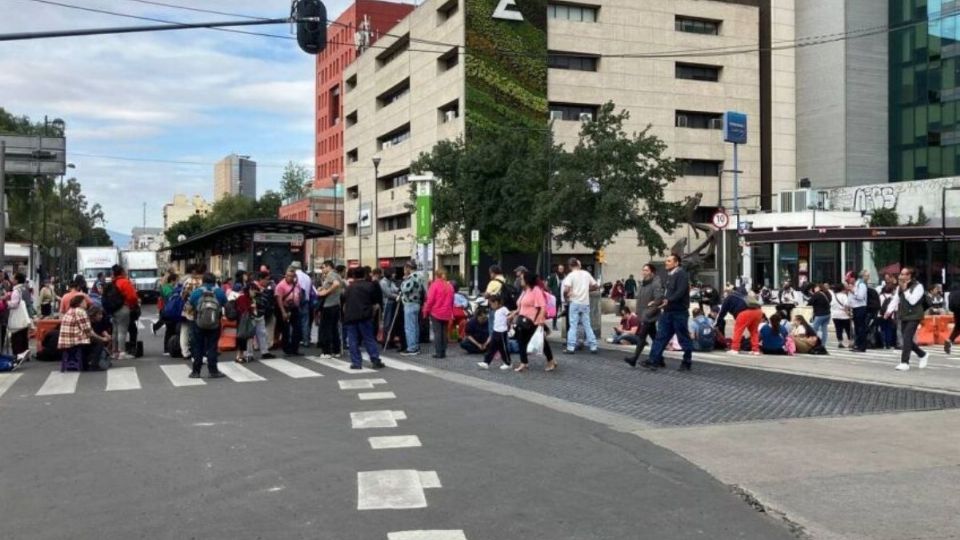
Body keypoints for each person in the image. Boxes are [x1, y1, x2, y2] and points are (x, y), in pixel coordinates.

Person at [643, 254, 693, 371]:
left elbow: (680, 292)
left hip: (679, 312)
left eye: (669, 261)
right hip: (667, 312)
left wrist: (667, 300)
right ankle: (653, 360)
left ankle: (687, 361)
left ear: (676, 263)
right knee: (661, 337)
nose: (666, 263)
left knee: (683, 338)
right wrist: (657, 302)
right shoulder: (669, 275)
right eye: (666, 261)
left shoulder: (682, 275)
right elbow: (666, 293)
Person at [886, 267, 929, 371]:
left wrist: (905, 290)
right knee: (907, 338)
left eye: (904, 274)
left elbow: (913, 301)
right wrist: (888, 311)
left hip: (915, 315)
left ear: (909, 276)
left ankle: (904, 362)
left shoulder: (918, 286)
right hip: (904, 315)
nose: (901, 276)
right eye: (901, 274)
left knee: (907, 337)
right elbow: (896, 299)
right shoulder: (899, 287)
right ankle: (922, 354)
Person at [342, 267, 385, 370]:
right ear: (365, 275)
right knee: (369, 339)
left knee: (353, 340)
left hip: (350, 316)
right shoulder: (369, 286)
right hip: (365, 316)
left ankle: (356, 363)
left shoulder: (349, 288)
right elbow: (375, 302)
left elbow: (344, 300)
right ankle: (375, 360)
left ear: (354, 276)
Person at [513, 271, 557, 372]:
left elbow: (542, 306)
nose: (521, 280)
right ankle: (524, 362)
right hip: (522, 320)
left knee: (542, 342)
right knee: (521, 342)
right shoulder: (525, 290)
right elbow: (521, 305)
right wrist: (514, 313)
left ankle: (551, 361)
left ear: (527, 280)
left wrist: (540, 320)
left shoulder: (536, 290)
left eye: (522, 278)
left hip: (532, 321)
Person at [187, 273, 228, 378]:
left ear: (203, 281)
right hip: (214, 324)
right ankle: (213, 371)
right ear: (214, 282)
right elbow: (226, 305)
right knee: (212, 347)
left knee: (198, 347)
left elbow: (189, 307)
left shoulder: (196, 292)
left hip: (199, 324)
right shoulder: (219, 293)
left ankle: (196, 372)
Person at [624, 263, 664, 365]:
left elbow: (658, 298)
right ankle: (660, 359)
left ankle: (634, 359)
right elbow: (640, 299)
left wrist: (648, 312)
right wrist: (638, 312)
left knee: (642, 337)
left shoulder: (655, 283)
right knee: (654, 337)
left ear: (651, 272)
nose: (644, 272)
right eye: (643, 270)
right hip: (643, 314)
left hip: (649, 315)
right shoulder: (643, 283)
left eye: (646, 270)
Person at [57, 295, 111, 370]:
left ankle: (84, 364)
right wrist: (102, 339)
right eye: (84, 302)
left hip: (65, 342)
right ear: (80, 303)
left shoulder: (70, 311)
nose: (86, 303)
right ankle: (94, 366)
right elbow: (88, 331)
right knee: (99, 343)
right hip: (74, 341)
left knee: (90, 342)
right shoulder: (81, 312)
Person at [562, 258, 599, 354]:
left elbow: (566, 290)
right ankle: (593, 346)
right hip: (585, 303)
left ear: (570, 266)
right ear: (577, 265)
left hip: (574, 302)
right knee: (587, 325)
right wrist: (587, 289)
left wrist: (566, 297)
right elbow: (595, 286)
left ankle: (570, 347)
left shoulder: (570, 275)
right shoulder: (586, 274)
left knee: (573, 325)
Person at [718, 286, 762, 355]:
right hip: (758, 312)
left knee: (738, 330)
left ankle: (734, 348)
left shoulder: (729, 297)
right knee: (754, 331)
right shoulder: (746, 296)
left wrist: (718, 323)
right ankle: (755, 350)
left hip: (745, 313)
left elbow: (722, 312)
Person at [108, 265, 140, 361]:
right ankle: (122, 352)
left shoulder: (113, 283)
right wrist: (133, 304)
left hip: (113, 309)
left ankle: (114, 352)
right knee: (122, 331)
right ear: (122, 272)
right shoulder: (124, 282)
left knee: (115, 331)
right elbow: (132, 297)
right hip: (123, 308)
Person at [422, 267, 455, 359]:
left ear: (437, 275)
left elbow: (430, 300)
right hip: (446, 312)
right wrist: (451, 312)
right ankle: (443, 352)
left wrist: (425, 311)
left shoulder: (434, 285)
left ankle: (438, 352)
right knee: (444, 332)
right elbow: (452, 301)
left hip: (436, 312)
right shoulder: (450, 286)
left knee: (437, 333)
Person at [316, 260, 343, 359]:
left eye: (323, 267)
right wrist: (322, 289)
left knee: (326, 329)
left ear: (328, 267)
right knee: (334, 329)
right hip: (335, 304)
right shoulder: (337, 275)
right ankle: (336, 350)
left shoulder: (331, 275)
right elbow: (341, 286)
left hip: (328, 305)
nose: (322, 270)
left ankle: (327, 352)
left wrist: (325, 292)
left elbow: (335, 284)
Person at [478, 295, 511, 370]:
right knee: (492, 347)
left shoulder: (504, 309)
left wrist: (508, 323)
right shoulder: (495, 311)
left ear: (496, 302)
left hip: (502, 332)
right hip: (495, 331)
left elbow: (509, 315)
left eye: (492, 304)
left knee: (504, 348)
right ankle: (486, 362)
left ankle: (508, 363)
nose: (491, 306)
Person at [5, 272, 33, 360]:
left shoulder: (16, 291)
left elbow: (14, 304)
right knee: (24, 336)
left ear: (17, 280)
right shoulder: (25, 288)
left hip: (17, 316)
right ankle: (25, 354)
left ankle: (18, 355)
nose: (12, 280)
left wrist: (6, 303)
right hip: (25, 316)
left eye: (13, 278)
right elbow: (30, 300)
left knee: (17, 337)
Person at [179, 264, 205, 360]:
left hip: (189, 309)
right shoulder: (204, 282)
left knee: (185, 329)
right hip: (202, 309)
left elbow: (182, 295)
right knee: (198, 331)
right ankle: (197, 352)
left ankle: (185, 351)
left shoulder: (189, 281)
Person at [399, 261, 425, 356]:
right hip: (417, 303)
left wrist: (404, 280)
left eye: (405, 268)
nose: (404, 270)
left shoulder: (412, 277)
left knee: (409, 327)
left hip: (410, 304)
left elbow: (404, 289)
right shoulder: (420, 276)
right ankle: (416, 346)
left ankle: (412, 348)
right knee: (415, 327)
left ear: (408, 268)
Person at [275, 268, 303, 357]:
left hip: (295, 308)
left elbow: (300, 294)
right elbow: (279, 300)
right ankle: (287, 349)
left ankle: (295, 348)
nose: (290, 278)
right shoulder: (281, 285)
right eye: (288, 276)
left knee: (297, 329)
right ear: (285, 276)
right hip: (285, 308)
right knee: (286, 330)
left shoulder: (296, 284)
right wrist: (283, 312)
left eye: (292, 276)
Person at [846, 270, 870, 352]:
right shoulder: (854, 285)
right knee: (856, 328)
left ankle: (862, 346)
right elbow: (850, 298)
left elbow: (860, 296)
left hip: (861, 307)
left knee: (861, 327)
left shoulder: (861, 284)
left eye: (849, 278)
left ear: (853, 278)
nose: (848, 281)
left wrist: (853, 291)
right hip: (855, 308)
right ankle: (857, 344)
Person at [234, 282, 258, 363]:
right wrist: (251, 307)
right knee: (242, 337)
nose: (254, 293)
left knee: (245, 337)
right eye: (254, 291)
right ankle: (239, 355)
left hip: (246, 320)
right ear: (250, 290)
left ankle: (243, 355)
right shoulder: (242, 298)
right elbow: (243, 309)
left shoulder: (249, 299)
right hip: (242, 321)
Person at [256, 271, 277, 359]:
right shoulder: (254, 286)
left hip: (261, 313)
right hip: (254, 313)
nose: (267, 282)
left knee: (262, 333)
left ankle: (265, 351)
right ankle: (247, 353)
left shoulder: (265, 288)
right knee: (250, 334)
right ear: (261, 279)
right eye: (266, 280)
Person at [377, 268, 399, 343]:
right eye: (393, 273)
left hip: (392, 303)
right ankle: (385, 340)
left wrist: (399, 290)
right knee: (387, 323)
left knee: (393, 322)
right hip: (387, 304)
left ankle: (391, 340)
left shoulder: (391, 281)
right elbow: (388, 294)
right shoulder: (383, 282)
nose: (395, 275)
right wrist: (397, 296)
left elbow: (395, 289)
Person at [807, 282, 832, 348]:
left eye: (815, 288)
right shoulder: (827, 293)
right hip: (827, 314)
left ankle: (814, 343)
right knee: (824, 330)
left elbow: (809, 303)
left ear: (818, 288)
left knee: (814, 329)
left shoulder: (817, 294)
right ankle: (823, 345)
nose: (814, 289)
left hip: (820, 314)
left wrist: (812, 295)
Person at [830, 283, 852, 348]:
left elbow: (831, 304)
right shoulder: (844, 296)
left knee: (838, 329)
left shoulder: (833, 296)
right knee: (848, 329)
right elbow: (846, 304)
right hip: (844, 315)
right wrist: (848, 311)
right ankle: (850, 342)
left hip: (835, 315)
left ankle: (840, 342)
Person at [878, 284, 898, 349]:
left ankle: (883, 343)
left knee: (882, 329)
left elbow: (878, 306)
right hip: (890, 315)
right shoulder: (893, 297)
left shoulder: (880, 296)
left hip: (881, 315)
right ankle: (888, 344)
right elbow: (895, 308)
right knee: (889, 329)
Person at [547, 264, 565, 330]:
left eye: (562, 269)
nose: (561, 270)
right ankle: (554, 325)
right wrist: (551, 292)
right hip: (555, 296)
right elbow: (548, 285)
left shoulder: (564, 276)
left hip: (563, 296)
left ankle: (565, 325)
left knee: (565, 311)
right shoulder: (553, 276)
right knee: (555, 311)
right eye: (560, 269)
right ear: (557, 269)